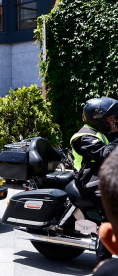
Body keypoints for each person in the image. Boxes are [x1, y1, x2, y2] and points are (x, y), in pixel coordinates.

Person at [70, 97, 118, 263]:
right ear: (98, 120)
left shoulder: (104, 133)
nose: (113, 121)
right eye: (110, 118)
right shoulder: (83, 137)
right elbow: (105, 155)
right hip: (89, 181)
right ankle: (103, 263)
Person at [94, 148, 118, 275]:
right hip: (89, 182)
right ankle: (101, 260)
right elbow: (103, 153)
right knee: (106, 218)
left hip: (106, 179)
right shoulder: (85, 135)